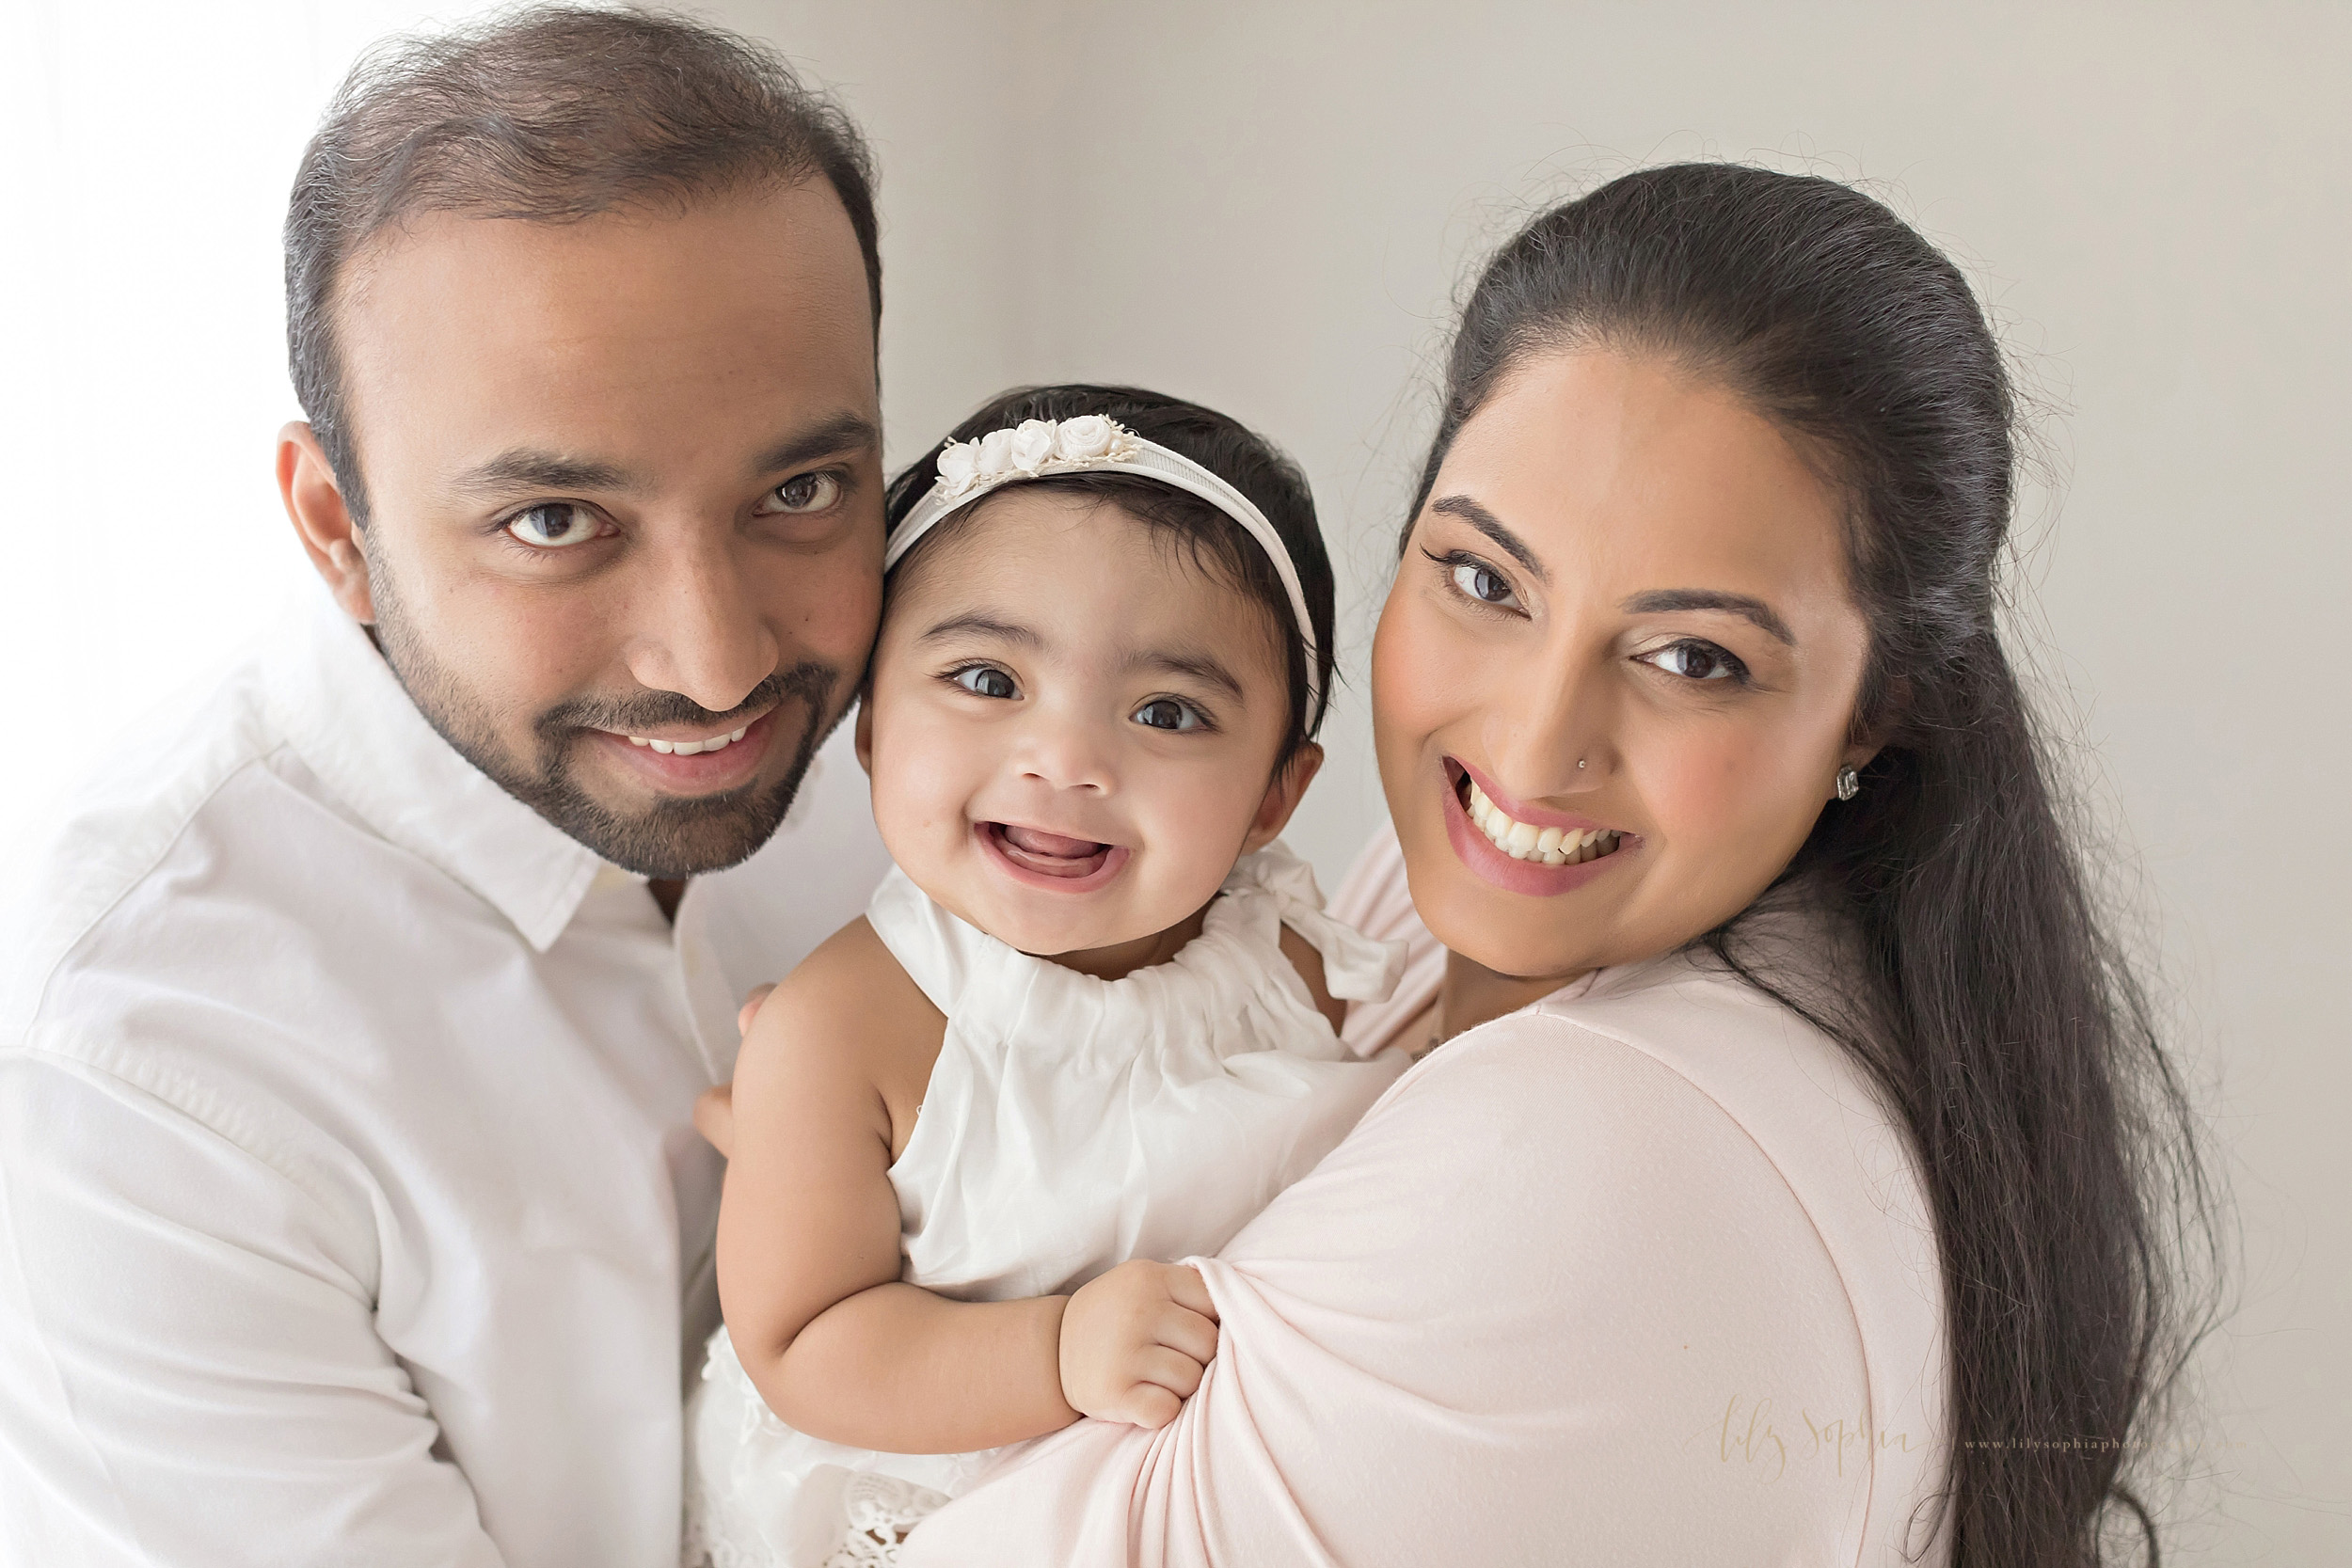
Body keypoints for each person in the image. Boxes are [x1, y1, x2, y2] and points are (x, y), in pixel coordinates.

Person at [890, 165, 2214, 1565]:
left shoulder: (1591, 1151)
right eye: (1483, 579)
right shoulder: (1465, 913)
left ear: (1873, 713)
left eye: (1693, 657)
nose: (1531, 745)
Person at [0, 11, 897, 1566]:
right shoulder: (121, 1063)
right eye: (558, 519)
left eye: (800, 491)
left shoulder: (953, 749)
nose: (718, 659)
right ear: (335, 523)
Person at [684, 386, 1409, 1566]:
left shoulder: (1285, 960)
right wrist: (1057, 1349)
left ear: (1275, 795)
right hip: (922, 1508)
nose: (1067, 759)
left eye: (1167, 711)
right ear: (870, 724)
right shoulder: (848, 1028)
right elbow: (807, 1338)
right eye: (987, 679)